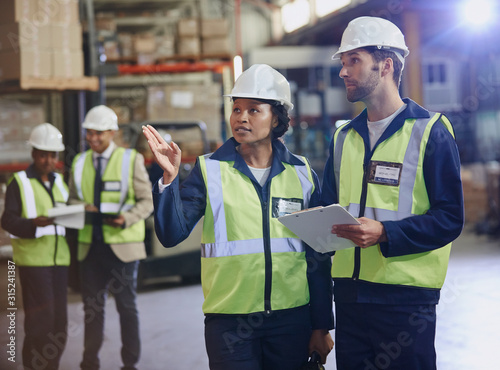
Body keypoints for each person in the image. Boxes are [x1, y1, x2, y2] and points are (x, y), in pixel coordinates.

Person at [143, 64, 334, 369]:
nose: (241, 117)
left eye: (254, 110)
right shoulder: (209, 170)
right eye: (236, 108)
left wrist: (322, 325)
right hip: (229, 323)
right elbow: (171, 234)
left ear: (277, 118)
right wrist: (169, 180)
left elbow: (318, 255)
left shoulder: (302, 173)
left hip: (291, 318)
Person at [321, 16, 464, 369]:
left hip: (405, 302)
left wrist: (386, 233)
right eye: (342, 62)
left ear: (385, 65)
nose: (343, 71)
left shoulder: (430, 131)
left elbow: (450, 219)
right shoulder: (343, 138)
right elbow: (326, 209)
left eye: (353, 60)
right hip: (351, 299)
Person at [68, 105, 153, 370]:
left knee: (126, 308)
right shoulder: (79, 162)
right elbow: (72, 199)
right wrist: (83, 208)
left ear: (113, 133)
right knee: (93, 310)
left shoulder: (130, 159)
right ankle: (89, 362)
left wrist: (125, 218)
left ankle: (130, 363)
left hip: (122, 247)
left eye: (99, 134)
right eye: (89, 134)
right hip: (90, 247)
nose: (93, 139)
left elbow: (146, 201)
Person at [1, 123, 69, 370]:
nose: (48, 160)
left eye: (53, 155)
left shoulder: (60, 183)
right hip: (33, 263)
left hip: (59, 261)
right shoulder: (19, 182)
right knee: (41, 323)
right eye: (43, 154)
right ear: (33, 153)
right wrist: (33, 224)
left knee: (59, 324)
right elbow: (7, 220)